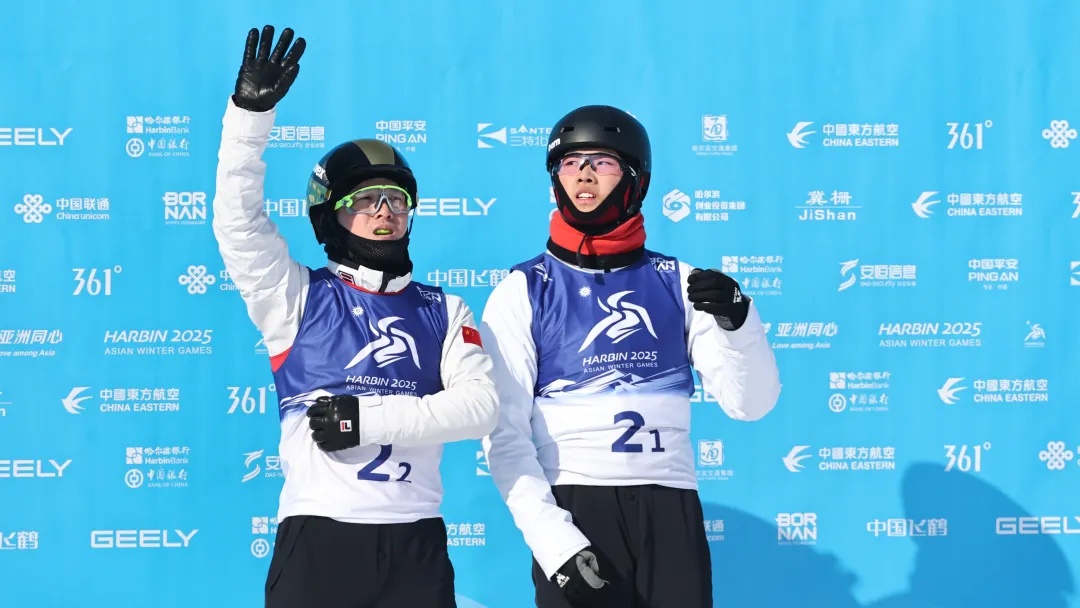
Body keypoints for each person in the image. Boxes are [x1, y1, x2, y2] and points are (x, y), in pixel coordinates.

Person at [211, 25, 498, 608]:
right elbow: (237, 225)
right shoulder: (295, 298)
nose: (384, 212)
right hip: (320, 540)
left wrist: (365, 419)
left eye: (396, 200)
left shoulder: (445, 310)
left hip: (416, 543)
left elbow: (480, 408)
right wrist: (249, 118)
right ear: (329, 217)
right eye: (364, 200)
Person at [479, 105, 781, 607]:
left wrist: (739, 323)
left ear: (637, 180)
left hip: (670, 511)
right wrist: (555, 544)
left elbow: (751, 404)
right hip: (576, 510)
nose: (584, 175)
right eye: (570, 163)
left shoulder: (680, 282)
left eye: (602, 162)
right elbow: (504, 436)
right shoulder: (523, 290)